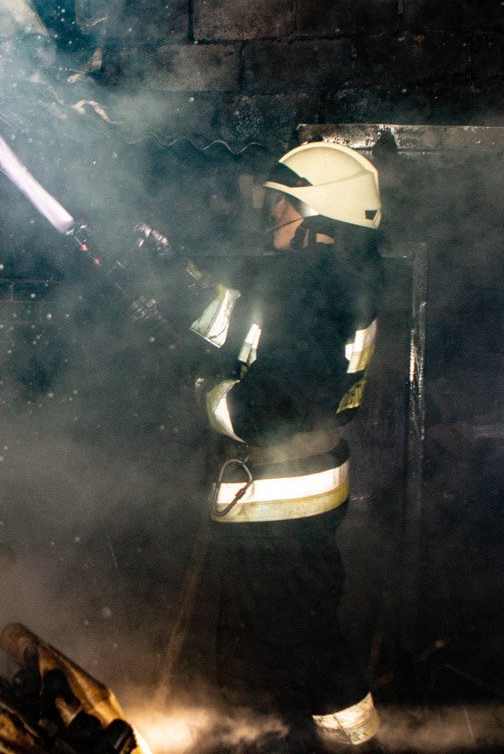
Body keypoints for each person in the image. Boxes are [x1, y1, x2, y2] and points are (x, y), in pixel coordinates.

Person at [187, 141, 386, 751]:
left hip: (285, 496)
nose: (272, 214)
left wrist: (208, 397)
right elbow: (243, 335)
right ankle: (311, 736)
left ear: (318, 221)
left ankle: (354, 745)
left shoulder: (313, 296)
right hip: (299, 487)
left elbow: (272, 407)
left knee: (301, 637)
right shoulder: (320, 282)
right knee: (294, 632)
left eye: (284, 207)